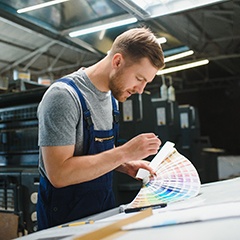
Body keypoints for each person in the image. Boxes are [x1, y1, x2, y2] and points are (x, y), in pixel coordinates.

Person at [36, 27, 165, 230]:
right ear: (117, 62)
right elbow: (59, 174)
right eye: (139, 79)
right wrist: (124, 152)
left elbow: (95, 156)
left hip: (102, 214)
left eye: (146, 82)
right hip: (63, 224)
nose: (140, 90)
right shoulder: (63, 97)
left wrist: (124, 163)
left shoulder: (111, 100)